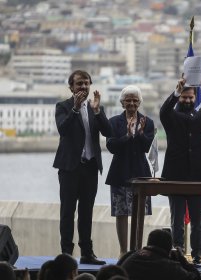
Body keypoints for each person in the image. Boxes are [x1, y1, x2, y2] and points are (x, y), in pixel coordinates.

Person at [160, 75, 201, 264]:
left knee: (198, 222)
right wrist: (176, 91)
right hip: (176, 176)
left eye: (190, 97)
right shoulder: (171, 116)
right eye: (184, 97)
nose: (187, 100)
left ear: (195, 98)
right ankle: (177, 253)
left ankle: (197, 256)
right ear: (180, 97)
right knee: (176, 221)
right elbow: (163, 111)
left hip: (198, 176)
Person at [53, 70, 111, 265]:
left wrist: (98, 111)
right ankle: (66, 255)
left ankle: (87, 252)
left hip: (90, 168)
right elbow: (63, 129)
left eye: (86, 83)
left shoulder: (95, 108)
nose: (83, 87)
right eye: (79, 84)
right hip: (69, 168)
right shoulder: (63, 106)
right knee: (68, 212)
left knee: (87, 211)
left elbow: (108, 132)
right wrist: (75, 109)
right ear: (71, 87)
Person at [105, 85, 154, 257]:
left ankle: (137, 249)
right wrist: (126, 136)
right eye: (128, 100)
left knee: (138, 213)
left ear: (139, 102)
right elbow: (111, 146)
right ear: (122, 102)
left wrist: (139, 133)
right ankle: (123, 250)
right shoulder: (113, 122)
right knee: (121, 213)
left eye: (135, 100)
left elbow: (147, 146)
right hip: (119, 173)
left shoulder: (148, 122)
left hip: (140, 174)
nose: (131, 103)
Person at [119, 229, 200, 280]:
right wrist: (182, 260)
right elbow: (196, 277)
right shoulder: (171, 267)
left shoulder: (130, 255)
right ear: (168, 250)